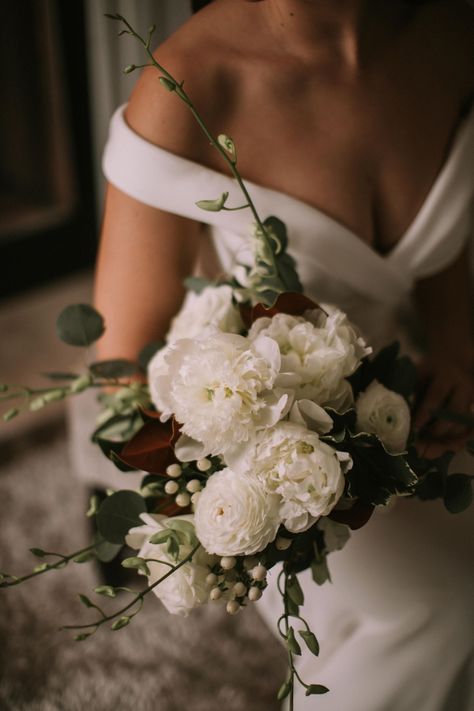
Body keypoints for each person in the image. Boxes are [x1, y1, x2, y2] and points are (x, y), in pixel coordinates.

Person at [94, 1, 474, 708]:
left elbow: (446, 257)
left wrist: (457, 353)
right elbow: (121, 368)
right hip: (265, 471)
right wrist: (262, 457)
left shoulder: (452, 41)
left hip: (413, 404)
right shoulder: (190, 86)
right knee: (444, 607)